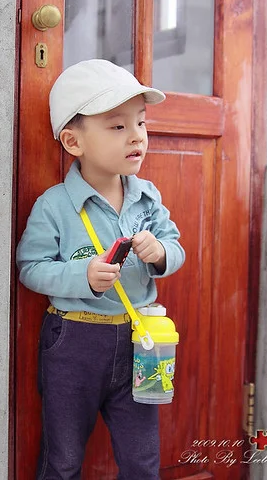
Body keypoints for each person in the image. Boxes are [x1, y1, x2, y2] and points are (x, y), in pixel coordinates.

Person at [16, 59, 185, 480]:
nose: (137, 137)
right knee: (64, 458)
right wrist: (82, 277)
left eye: (141, 124)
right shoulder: (54, 205)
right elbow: (30, 268)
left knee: (142, 460)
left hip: (141, 340)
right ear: (74, 142)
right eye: (117, 127)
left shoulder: (148, 197)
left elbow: (177, 249)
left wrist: (160, 252)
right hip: (74, 342)